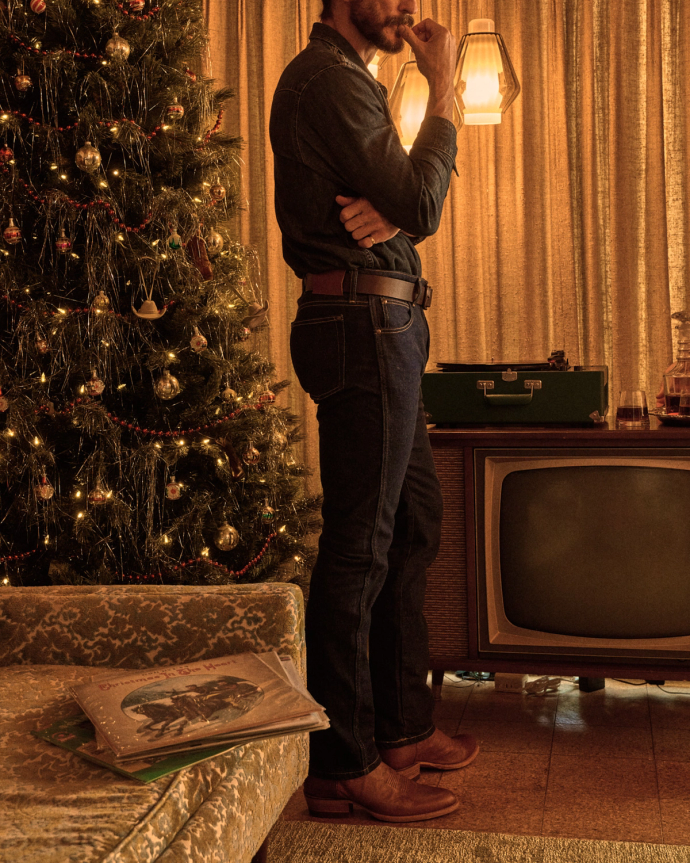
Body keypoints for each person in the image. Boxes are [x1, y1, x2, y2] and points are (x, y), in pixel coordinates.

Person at [269, 0, 479, 823]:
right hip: (362, 321)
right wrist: (444, 90)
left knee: (415, 519)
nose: (409, 7)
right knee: (361, 544)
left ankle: (399, 727)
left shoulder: (350, 81)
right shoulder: (329, 78)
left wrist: (394, 205)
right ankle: (343, 762)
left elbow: (407, 200)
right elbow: (422, 201)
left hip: (382, 318)